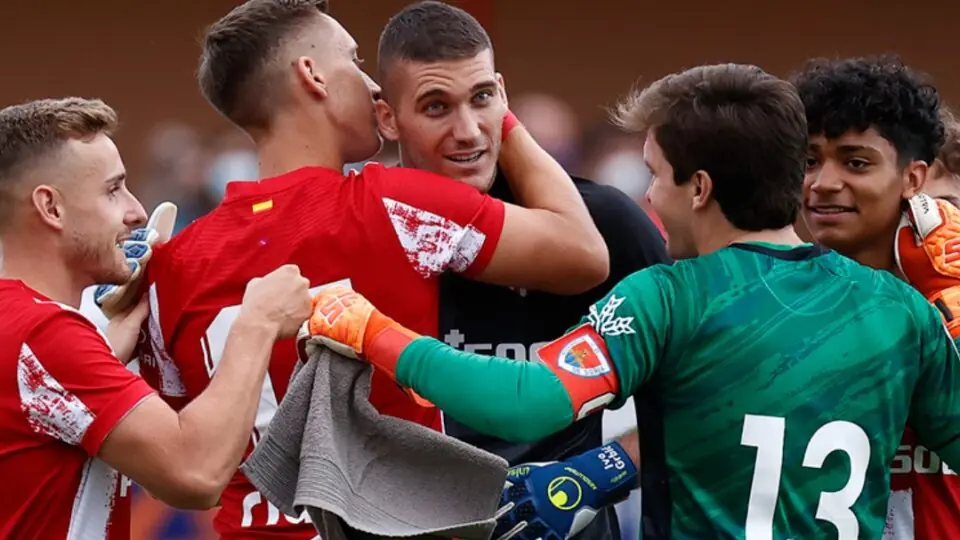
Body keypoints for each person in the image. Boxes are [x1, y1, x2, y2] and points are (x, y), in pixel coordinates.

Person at [304, 63, 960, 539]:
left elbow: (527, 401)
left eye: (654, 173)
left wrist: (370, 330)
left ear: (699, 188)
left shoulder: (668, 296)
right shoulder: (902, 311)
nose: (646, 197)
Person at [134, 0, 609, 537]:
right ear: (312, 75)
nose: (373, 85)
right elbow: (582, 252)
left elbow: (180, 456)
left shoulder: (169, 265)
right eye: (354, 60)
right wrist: (493, 109)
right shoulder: (393, 204)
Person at [371, 3, 670, 540]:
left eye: (482, 97)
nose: (468, 131)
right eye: (436, 107)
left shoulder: (606, 222)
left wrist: (600, 472)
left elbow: (709, 383)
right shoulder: (365, 227)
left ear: (503, 97)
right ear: (387, 118)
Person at [0, 97, 312, 539]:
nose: (137, 212)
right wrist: (257, 323)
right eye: (112, 190)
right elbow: (195, 474)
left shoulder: (20, 327)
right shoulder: (44, 335)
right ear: (51, 208)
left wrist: (105, 350)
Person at [790, 56, 960, 540]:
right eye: (808, 161)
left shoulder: (947, 287)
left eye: (856, 162)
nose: (823, 183)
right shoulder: (772, 297)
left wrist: (947, 300)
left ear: (913, 179)